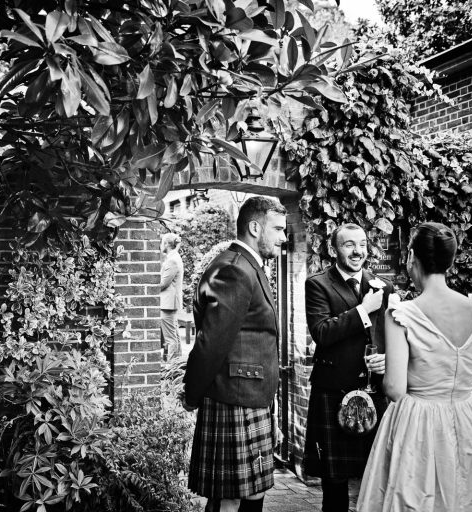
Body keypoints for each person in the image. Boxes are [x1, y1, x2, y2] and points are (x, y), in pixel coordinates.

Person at [357, 222, 472, 511]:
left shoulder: (401, 313)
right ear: (450, 260)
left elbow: (394, 389)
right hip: (470, 418)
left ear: (411, 258)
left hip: (418, 422)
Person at [181, 196, 287, 512]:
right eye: (278, 229)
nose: (283, 237)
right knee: (229, 500)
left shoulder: (247, 266)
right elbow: (212, 342)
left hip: (249, 395)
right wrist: (192, 393)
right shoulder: (235, 269)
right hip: (235, 397)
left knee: (249, 495)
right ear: (255, 227)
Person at [303, 223, 394, 512]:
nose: (358, 251)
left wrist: (387, 358)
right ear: (333, 249)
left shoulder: (383, 287)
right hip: (334, 390)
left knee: (376, 474)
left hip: (373, 391)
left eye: (363, 244)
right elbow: (322, 332)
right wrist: (363, 310)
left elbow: (390, 335)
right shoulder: (318, 284)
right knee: (335, 483)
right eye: (349, 245)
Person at [160, 233, 184, 359]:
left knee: (170, 339)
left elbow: (163, 283)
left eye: (161, 242)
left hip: (168, 304)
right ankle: (177, 366)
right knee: (174, 336)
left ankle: (171, 367)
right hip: (170, 303)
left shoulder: (172, 260)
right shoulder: (174, 257)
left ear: (166, 244)